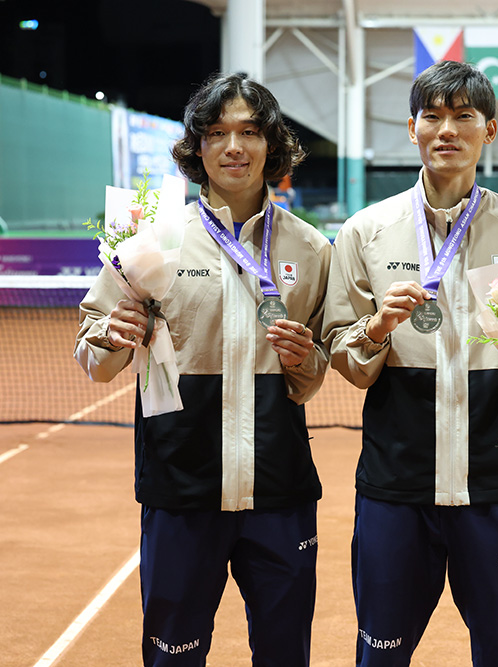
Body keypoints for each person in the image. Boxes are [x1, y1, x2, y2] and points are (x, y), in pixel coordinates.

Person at [322, 60, 498, 666]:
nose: (447, 130)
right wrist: (376, 328)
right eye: (432, 116)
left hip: (497, 483)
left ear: (489, 130)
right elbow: (342, 352)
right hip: (397, 486)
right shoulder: (366, 232)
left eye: (464, 116)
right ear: (411, 127)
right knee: (381, 653)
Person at [75, 72, 332, 666]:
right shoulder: (149, 241)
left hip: (279, 489)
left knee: (284, 654)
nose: (233, 146)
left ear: (272, 144)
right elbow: (95, 357)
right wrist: (113, 334)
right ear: (198, 147)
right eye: (217, 133)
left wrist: (305, 359)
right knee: (174, 654)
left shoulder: (311, 248)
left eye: (249, 132)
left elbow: (315, 374)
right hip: (180, 486)